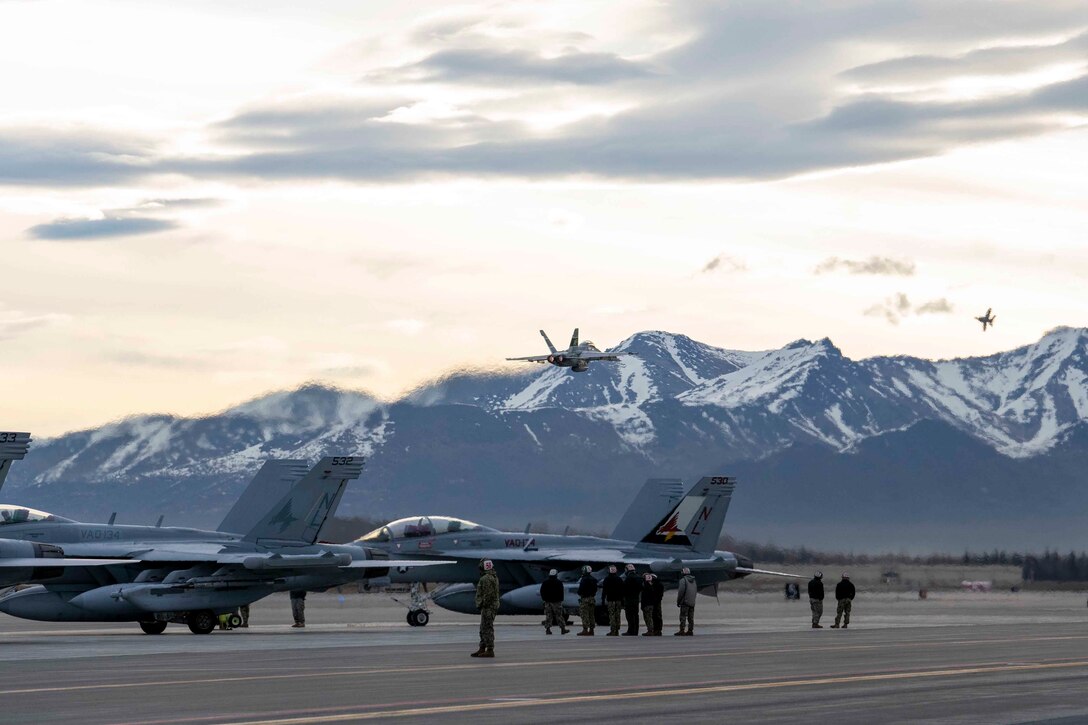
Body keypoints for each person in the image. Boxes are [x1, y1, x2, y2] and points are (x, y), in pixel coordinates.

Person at [472, 559, 500, 657]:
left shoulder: (486, 578)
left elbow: (488, 595)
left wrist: (481, 604)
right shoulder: (493, 577)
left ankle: (490, 649)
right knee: (483, 627)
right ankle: (482, 647)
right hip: (490, 606)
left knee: (487, 627)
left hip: (488, 607)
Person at [539, 569, 568, 635]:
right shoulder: (559, 582)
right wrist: (561, 600)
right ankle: (563, 629)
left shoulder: (545, 582)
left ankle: (548, 630)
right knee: (559, 615)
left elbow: (542, 591)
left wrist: (544, 599)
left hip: (547, 602)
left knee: (548, 615)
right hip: (556, 602)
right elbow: (561, 592)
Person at [602, 565, 624, 636]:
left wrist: (603, 599)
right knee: (617, 615)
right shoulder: (619, 579)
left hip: (611, 600)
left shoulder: (607, 579)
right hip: (618, 600)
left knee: (612, 615)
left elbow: (604, 590)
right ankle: (617, 630)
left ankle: (613, 630)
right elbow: (622, 590)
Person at [576, 565, 598, 636]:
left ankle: (585, 630)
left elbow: (580, 589)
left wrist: (579, 593)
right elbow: (595, 589)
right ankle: (591, 630)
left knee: (584, 614)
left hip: (585, 599)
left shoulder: (584, 579)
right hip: (592, 599)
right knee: (591, 615)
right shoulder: (594, 579)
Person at [675, 567, 697, 636]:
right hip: (692, 602)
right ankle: (690, 630)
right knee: (691, 617)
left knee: (683, 616)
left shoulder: (683, 580)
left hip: (685, 602)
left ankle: (682, 630)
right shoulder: (694, 581)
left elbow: (681, 592)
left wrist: (678, 601)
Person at [622, 563, 641, 636]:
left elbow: (624, 589)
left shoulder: (628, 578)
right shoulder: (638, 577)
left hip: (629, 599)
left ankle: (631, 631)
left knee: (629, 616)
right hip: (636, 599)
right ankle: (635, 631)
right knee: (636, 615)